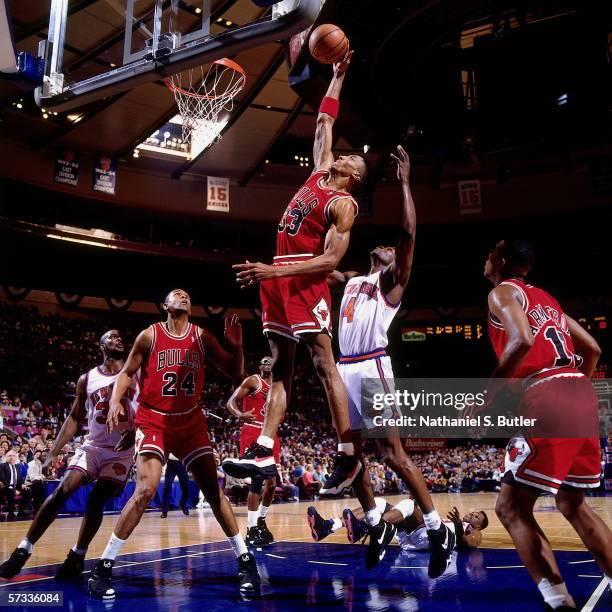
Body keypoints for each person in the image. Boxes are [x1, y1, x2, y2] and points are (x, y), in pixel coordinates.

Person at [224, 51, 366, 498]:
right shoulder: (320, 172)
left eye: (354, 160)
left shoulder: (344, 204)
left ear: (354, 176)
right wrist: (337, 78)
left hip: (302, 281)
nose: (346, 156)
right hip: (277, 281)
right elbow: (324, 121)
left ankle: (347, 453)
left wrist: (275, 269)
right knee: (281, 370)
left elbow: (327, 263)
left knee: (324, 365)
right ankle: (264, 448)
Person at [322, 145, 454, 576]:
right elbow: (318, 264)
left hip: (373, 368)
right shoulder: (353, 279)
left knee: (394, 455)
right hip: (343, 368)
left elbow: (409, 234)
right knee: (350, 455)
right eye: (380, 246)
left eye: (391, 248)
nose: (384, 246)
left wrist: (404, 184)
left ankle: (436, 530)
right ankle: (377, 523)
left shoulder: (391, 283)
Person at [88, 290, 260, 599]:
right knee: (145, 490)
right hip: (154, 420)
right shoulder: (149, 335)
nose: (183, 295)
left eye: (187, 296)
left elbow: (235, 373)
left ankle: (245, 561)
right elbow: (127, 373)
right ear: (165, 305)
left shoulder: (202, 336)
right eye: (176, 294)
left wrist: (237, 346)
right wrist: (115, 400)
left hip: (191, 422)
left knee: (212, 489)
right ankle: (104, 565)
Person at [482, 239, 612, 610]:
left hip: (548, 391)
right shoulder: (547, 300)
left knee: (510, 508)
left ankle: (558, 602)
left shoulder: (503, 292)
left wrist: (485, 397)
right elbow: (593, 349)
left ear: (501, 261)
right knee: (573, 502)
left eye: (491, 252)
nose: (486, 258)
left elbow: (521, 340)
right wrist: (574, 390)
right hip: (579, 392)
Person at [0, 330, 138, 580]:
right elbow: (75, 418)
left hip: (121, 453)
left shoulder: (136, 372)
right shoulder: (87, 379)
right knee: (61, 491)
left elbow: (153, 406)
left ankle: (77, 555)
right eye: (112, 336)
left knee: (96, 500)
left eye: (120, 336)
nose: (118, 338)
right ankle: (23, 550)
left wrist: (136, 428)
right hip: (93, 446)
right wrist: (52, 454)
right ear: (101, 345)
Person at [308, 498, 488, 552]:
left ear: (479, 526)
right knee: (377, 503)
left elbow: (468, 544)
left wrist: (458, 527)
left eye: (476, 517)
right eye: (474, 512)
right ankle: (328, 526)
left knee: (410, 505)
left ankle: (365, 528)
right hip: (412, 536)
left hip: (429, 539)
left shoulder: (474, 532)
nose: (472, 514)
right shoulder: (455, 520)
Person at [226, 356, 277, 546]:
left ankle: (261, 520)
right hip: (252, 430)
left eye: (270, 362)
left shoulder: (278, 384)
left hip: (271, 433)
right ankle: (251, 528)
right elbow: (230, 402)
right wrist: (240, 414)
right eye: (263, 362)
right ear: (259, 366)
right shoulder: (253, 381)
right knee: (257, 481)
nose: (267, 364)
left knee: (272, 483)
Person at [0, 450, 31, 519]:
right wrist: (13, 490)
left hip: (16, 486)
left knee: (28, 491)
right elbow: (3, 479)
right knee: (11, 492)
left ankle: (21, 511)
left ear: (16, 457)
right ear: (6, 457)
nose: (12, 457)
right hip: (5, 487)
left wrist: (22, 485)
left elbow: (19, 479)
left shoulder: (17, 466)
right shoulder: (2, 466)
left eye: (13, 456)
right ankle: (11, 513)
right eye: (9, 456)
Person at [160, 454, 190, 519]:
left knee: (187, 488)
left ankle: (182, 504)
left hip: (182, 463)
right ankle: (164, 511)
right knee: (167, 488)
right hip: (171, 464)